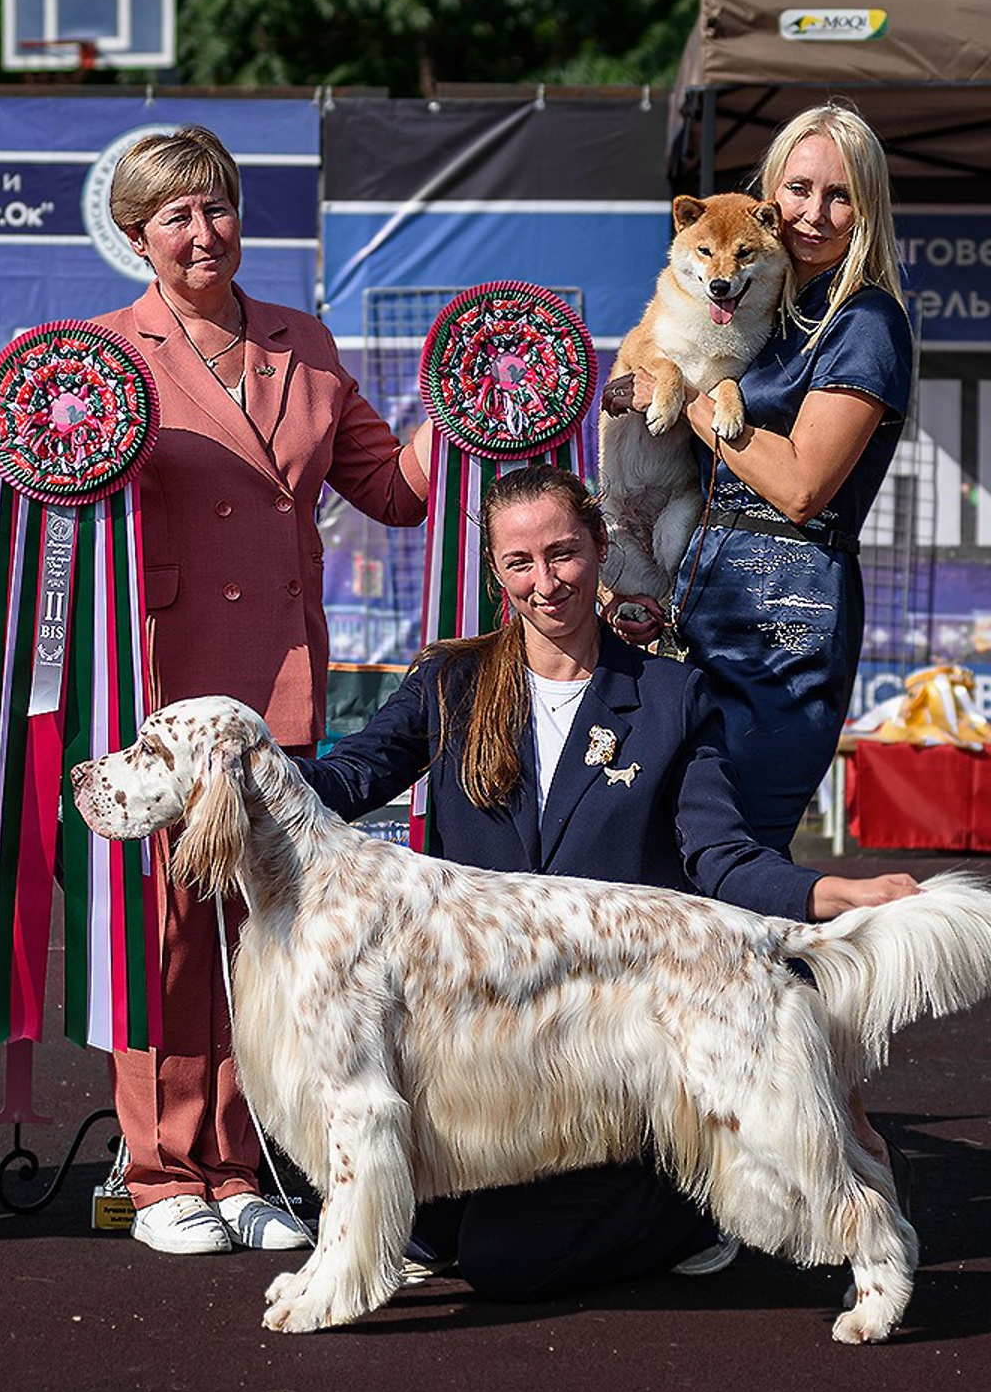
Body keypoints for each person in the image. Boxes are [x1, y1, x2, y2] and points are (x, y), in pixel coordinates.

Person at [297, 463, 917, 1301]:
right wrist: (250, 775)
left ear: (600, 548)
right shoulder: (450, 684)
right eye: (520, 562)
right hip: (493, 1053)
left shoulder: (668, 694)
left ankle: (702, 1208)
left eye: (563, 554)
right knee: (418, 1221)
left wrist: (831, 896)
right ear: (494, 570)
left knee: (508, 1263)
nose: (546, 582)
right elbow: (353, 774)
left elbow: (720, 857)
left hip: (616, 1057)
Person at [94, 122, 435, 1256]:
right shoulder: (98, 356)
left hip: (283, 689)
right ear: (137, 237)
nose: (202, 233)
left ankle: (240, 1167)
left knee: (267, 938)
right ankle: (158, 1172)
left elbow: (390, 490)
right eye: (175, 217)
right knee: (169, 937)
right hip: (165, 692)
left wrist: (470, 412)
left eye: (217, 208)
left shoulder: (307, 342)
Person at [607, 102, 915, 849]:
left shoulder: (864, 322)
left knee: (739, 857)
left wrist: (675, 400)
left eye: (840, 196)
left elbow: (805, 486)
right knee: (676, 860)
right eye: (801, 189)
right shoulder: (777, 310)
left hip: (786, 624)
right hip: (708, 602)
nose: (815, 213)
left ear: (866, 209)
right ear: (771, 194)